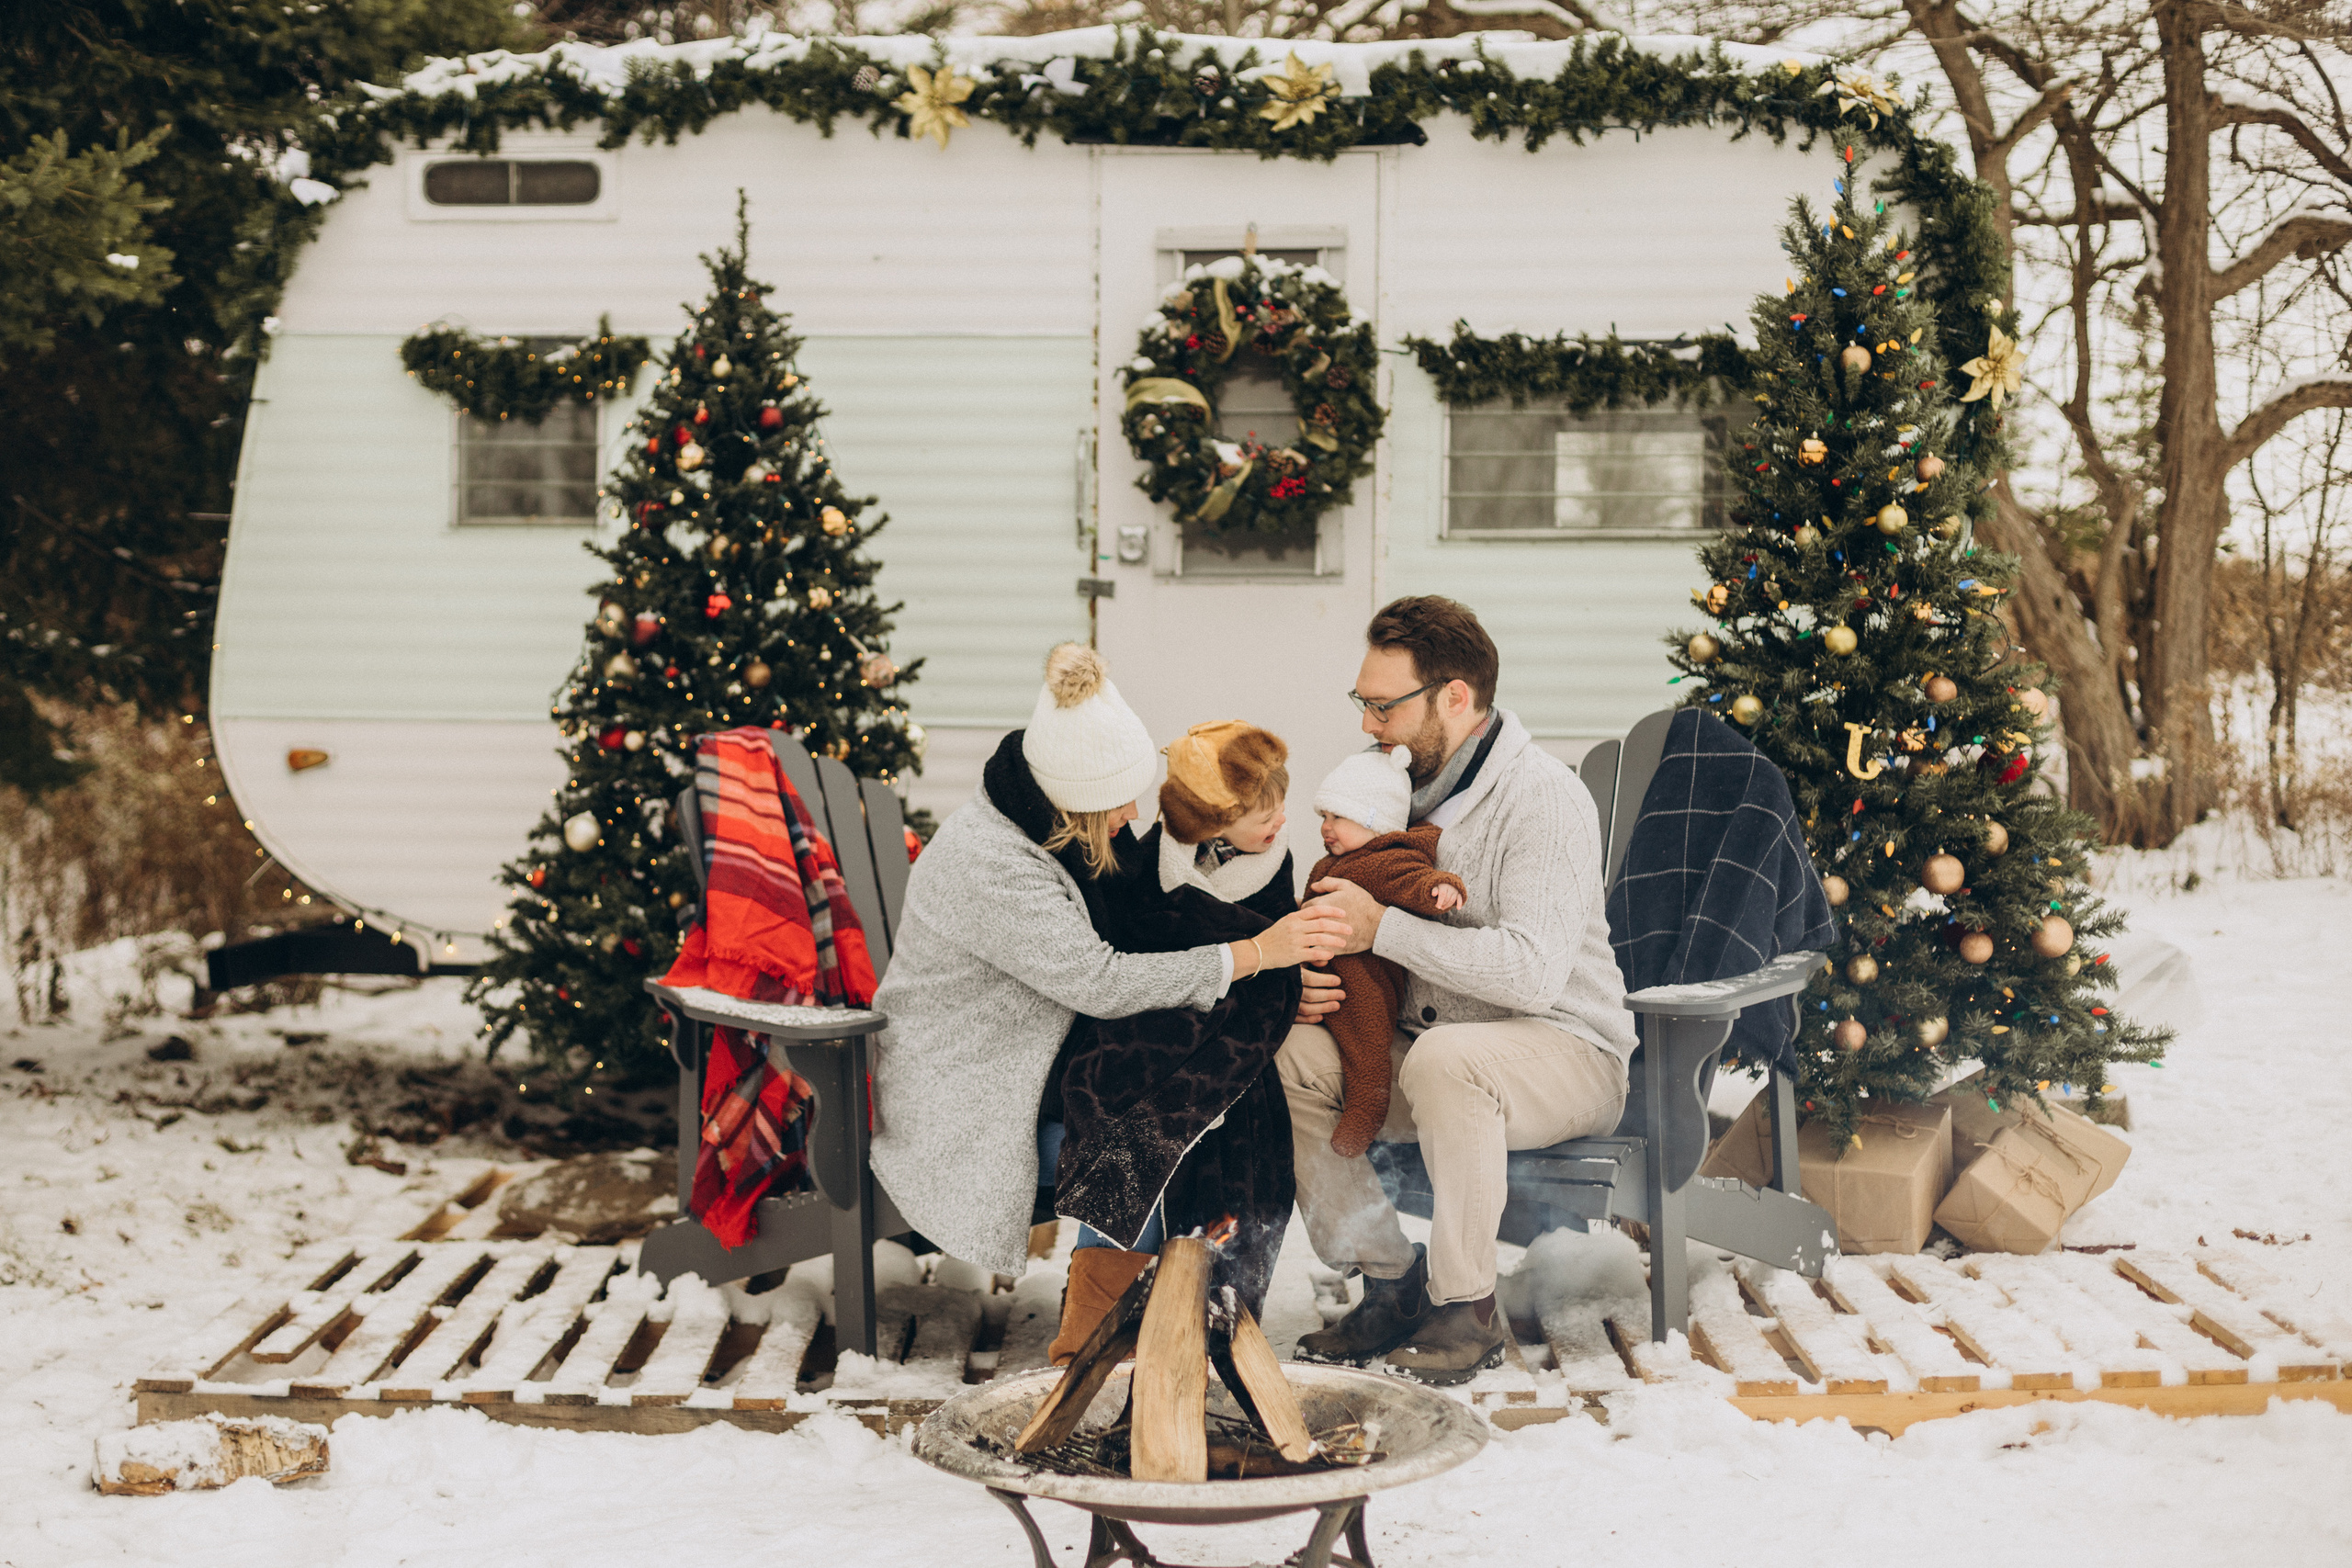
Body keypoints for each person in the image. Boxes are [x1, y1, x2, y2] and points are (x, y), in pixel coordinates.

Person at [867, 646, 1349, 1301]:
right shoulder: (994, 864)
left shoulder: (1056, 826)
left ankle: (1186, 1300)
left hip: (1034, 1064)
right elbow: (1102, 980)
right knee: (1139, 1118)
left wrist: (1272, 986)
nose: (1132, 818)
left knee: (1178, 1079)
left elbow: (1152, 929)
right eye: (1119, 805)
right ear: (1077, 802)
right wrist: (1259, 955)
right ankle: (1104, 1318)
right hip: (971, 1096)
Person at [1282, 596, 1638, 1384]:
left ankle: (1467, 1307)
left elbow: (1533, 974)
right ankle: (1390, 1280)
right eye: (1362, 702)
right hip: (1431, 1051)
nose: (1369, 723)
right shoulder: (1393, 790)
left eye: (1385, 705)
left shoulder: (1540, 798)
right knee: (1296, 1054)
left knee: (1450, 1058)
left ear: (1455, 697)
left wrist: (1382, 929)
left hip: (1566, 1050)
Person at [1045, 721, 1301, 1360]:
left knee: (1214, 1123)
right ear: (1211, 818)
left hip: (1234, 1025)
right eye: (1258, 814)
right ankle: (1102, 1300)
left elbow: (1280, 953)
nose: (1277, 824)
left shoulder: (1273, 866)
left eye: (1279, 808)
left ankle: (1208, 1300)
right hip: (1149, 1021)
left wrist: (1283, 968)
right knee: (1131, 1102)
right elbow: (1134, 944)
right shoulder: (1145, 864)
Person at [1303, 745, 1465, 1160]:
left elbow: (1416, 879)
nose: (1327, 827)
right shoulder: (1328, 864)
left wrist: (1441, 890)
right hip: (1325, 972)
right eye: (1324, 816)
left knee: (1366, 1043)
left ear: (1375, 820)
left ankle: (1368, 1105)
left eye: (1339, 816)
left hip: (1367, 979)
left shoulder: (1385, 858)